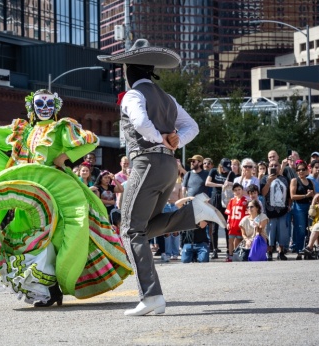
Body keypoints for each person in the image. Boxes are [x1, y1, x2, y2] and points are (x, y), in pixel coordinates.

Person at [0, 89, 132, 307]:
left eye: (49, 104)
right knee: (30, 237)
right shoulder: (22, 130)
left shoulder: (61, 127)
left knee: (61, 236)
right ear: (32, 107)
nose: (45, 109)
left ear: (56, 107)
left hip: (57, 188)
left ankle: (55, 285)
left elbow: (90, 141)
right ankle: (47, 289)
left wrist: (65, 157)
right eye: (40, 104)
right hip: (30, 190)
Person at [98, 38, 225, 316]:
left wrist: (160, 140)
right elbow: (192, 126)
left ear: (129, 72)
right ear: (150, 71)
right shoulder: (168, 98)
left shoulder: (133, 95)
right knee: (143, 227)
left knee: (130, 230)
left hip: (147, 163)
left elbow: (142, 123)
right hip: (168, 167)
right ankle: (193, 213)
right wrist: (175, 142)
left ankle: (151, 296)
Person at [205, 158, 236, 258]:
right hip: (216, 197)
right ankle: (214, 250)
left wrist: (230, 184)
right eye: (224, 168)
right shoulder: (214, 171)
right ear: (220, 166)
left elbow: (235, 186)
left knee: (227, 225)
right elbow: (207, 183)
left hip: (226, 199)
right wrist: (221, 184)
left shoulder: (231, 174)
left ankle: (228, 249)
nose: (225, 171)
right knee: (214, 227)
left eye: (227, 168)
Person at [261, 159, 290, 261]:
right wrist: (269, 182)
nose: (274, 167)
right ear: (268, 168)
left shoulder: (285, 179)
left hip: (282, 210)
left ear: (280, 167)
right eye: (271, 165)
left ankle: (281, 252)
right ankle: (269, 251)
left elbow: (289, 195)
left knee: (282, 232)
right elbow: (263, 193)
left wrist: (289, 205)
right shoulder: (264, 178)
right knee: (270, 232)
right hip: (269, 211)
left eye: (276, 165)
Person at [290, 160, 315, 259]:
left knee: (309, 230)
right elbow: (292, 196)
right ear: (296, 171)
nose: (301, 171)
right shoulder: (294, 181)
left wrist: (312, 195)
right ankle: (299, 251)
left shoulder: (310, 181)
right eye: (298, 170)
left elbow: (314, 195)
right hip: (298, 207)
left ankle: (308, 251)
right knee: (300, 230)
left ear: (306, 170)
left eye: (303, 169)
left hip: (309, 207)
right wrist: (305, 195)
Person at [224, 183, 249, 262]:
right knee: (230, 240)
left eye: (239, 189)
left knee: (238, 240)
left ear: (242, 190)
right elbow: (229, 213)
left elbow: (247, 214)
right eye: (235, 190)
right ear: (233, 192)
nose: (237, 191)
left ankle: (237, 254)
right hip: (232, 224)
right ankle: (230, 255)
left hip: (240, 225)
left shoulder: (246, 200)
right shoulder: (231, 201)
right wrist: (228, 223)